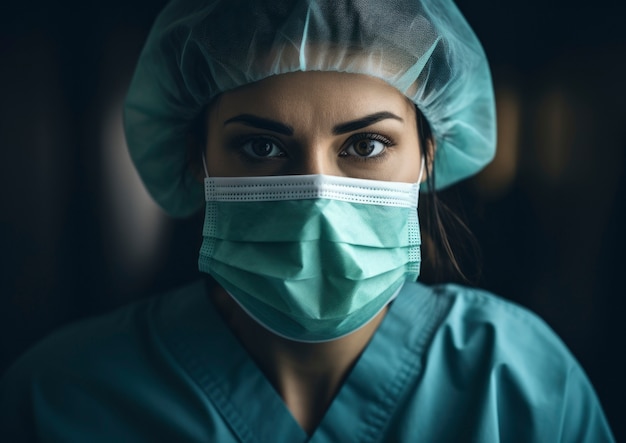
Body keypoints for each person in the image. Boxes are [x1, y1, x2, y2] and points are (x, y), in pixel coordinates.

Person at [0, 0, 615, 441]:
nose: (319, 196)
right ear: (198, 159)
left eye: (367, 145)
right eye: (262, 147)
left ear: (428, 154)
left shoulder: (519, 384)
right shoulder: (60, 399)